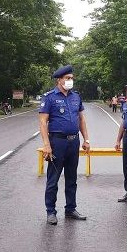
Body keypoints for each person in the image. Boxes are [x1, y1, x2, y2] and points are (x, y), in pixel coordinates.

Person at [39, 65, 91, 225]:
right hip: (57, 142)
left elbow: (81, 119)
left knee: (72, 177)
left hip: (73, 142)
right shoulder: (49, 97)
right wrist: (47, 145)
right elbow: (43, 121)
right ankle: (51, 212)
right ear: (59, 80)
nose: (70, 81)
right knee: (53, 178)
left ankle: (70, 209)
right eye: (67, 78)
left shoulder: (76, 97)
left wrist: (86, 139)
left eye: (71, 78)